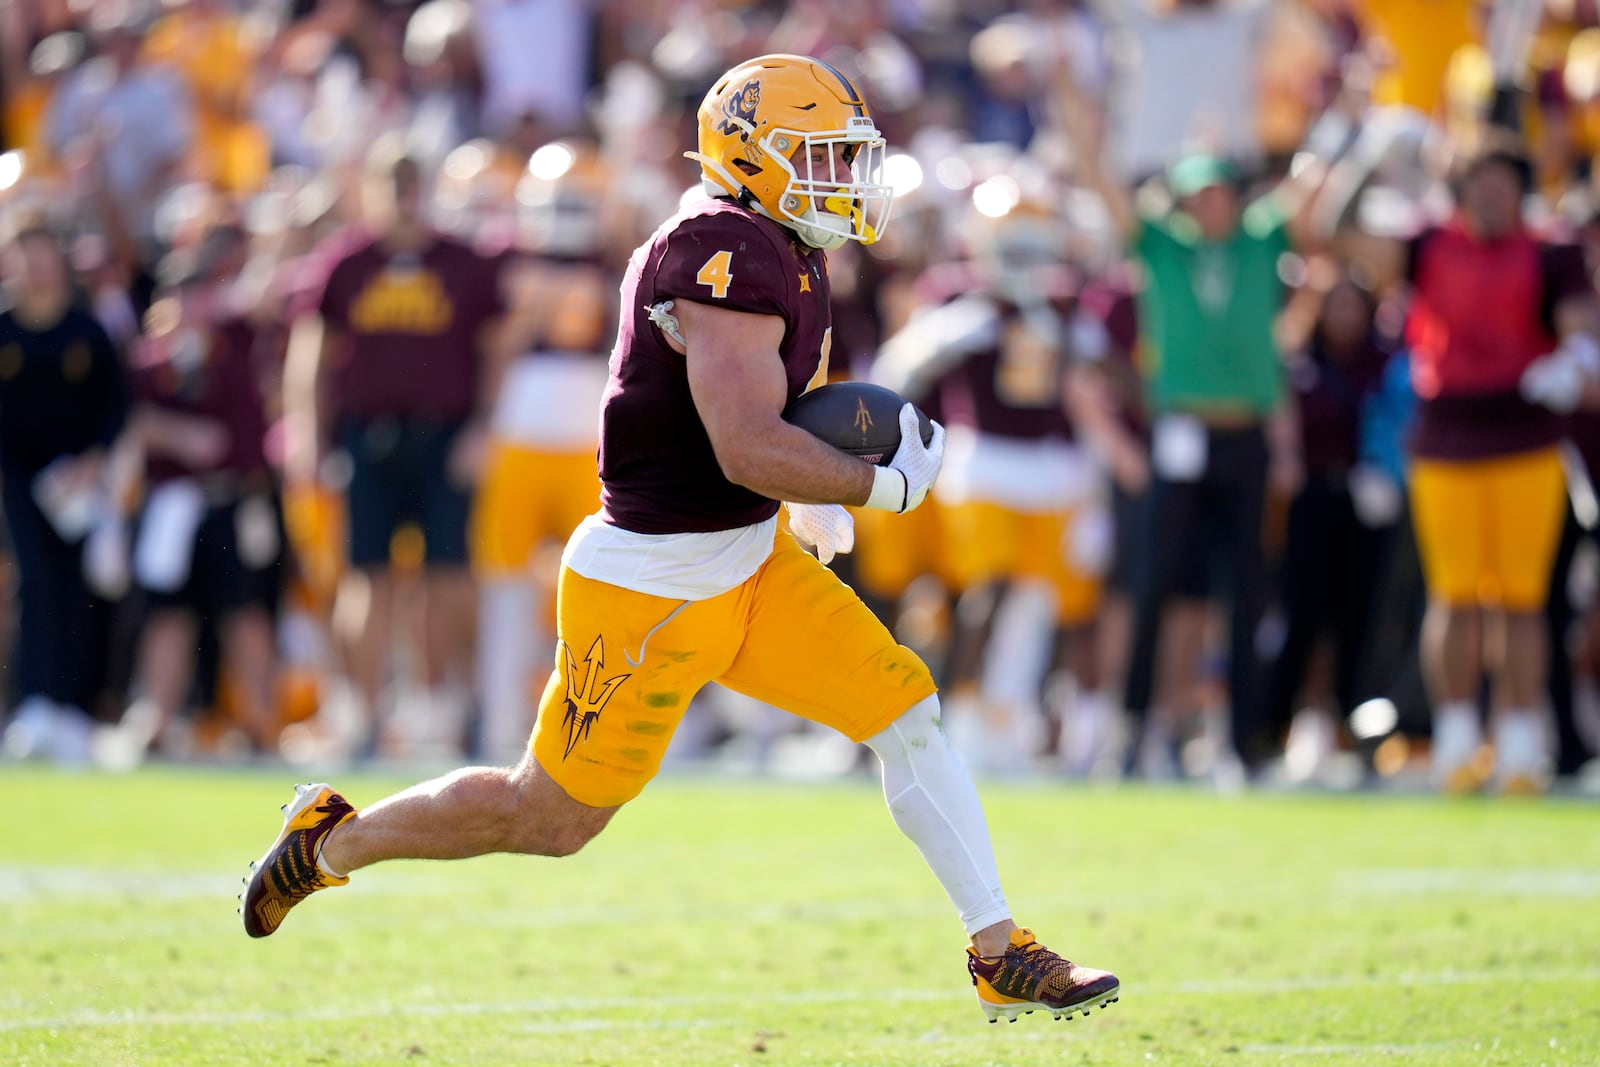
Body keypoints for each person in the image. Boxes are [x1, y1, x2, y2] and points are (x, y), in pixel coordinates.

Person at [243, 53, 1120, 1025]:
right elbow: (746, 445)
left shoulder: (787, 242)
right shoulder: (720, 252)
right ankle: (331, 842)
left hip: (746, 557)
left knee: (904, 708)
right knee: (547, 816)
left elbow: (801, 392)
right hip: (652, 586)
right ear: (752, 155)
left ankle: (999, 947)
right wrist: (874, 482)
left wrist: (815, 500)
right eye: (820, 155)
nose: (840, 176)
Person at [284, 143, 508, 758]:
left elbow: (495, 350)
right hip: (369, 433)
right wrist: (308, 432)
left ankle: (454, 703)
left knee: (448, 575)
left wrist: (483, 426)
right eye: (392, 186)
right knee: (367, 578)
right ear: (373, 191)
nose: (403, 199)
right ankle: (359, 711)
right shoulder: (347, 262)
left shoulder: (463, 263)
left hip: (446, 434)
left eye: (412, 185)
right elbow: (311, 356)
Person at [0, 220, 128, 762]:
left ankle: (73, 706)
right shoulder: (5, 328)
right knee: (34, 582)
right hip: (16, 481)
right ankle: (35, 704)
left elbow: (114, 407)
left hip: (79, 485)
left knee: (78, 587)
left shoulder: (87, 331)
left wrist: (92, 464)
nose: (38, 267)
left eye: (46, 254)